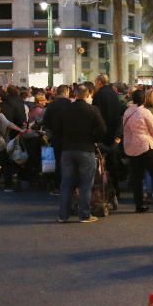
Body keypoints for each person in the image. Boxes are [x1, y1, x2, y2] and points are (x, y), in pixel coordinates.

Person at [53, 84, 106, 223]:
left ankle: (63, 215)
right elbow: (102, 130)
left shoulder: (65, 110)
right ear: (88, 94)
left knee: (66, 184)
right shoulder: (93, 110)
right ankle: (84, 214)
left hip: (67, 150)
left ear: (75, 94)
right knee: (86, 184)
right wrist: (93, 139)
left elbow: (56, 129)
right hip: (86, 149)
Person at [122, 88, 153, 213]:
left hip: (132, 147)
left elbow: (125, 130)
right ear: (144, 99)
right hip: (146, 146)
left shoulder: (127, 112)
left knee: (137, 177)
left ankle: (139, 204)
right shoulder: (145, 112)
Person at [42, 84, 72, 191]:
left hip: (56, 137)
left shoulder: (51, 105)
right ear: (66, 92)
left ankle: (58, 184)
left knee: (58, 161)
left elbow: (45, 122)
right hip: (69, 137)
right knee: (69, 162)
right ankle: (69, 183)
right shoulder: (71, 104)